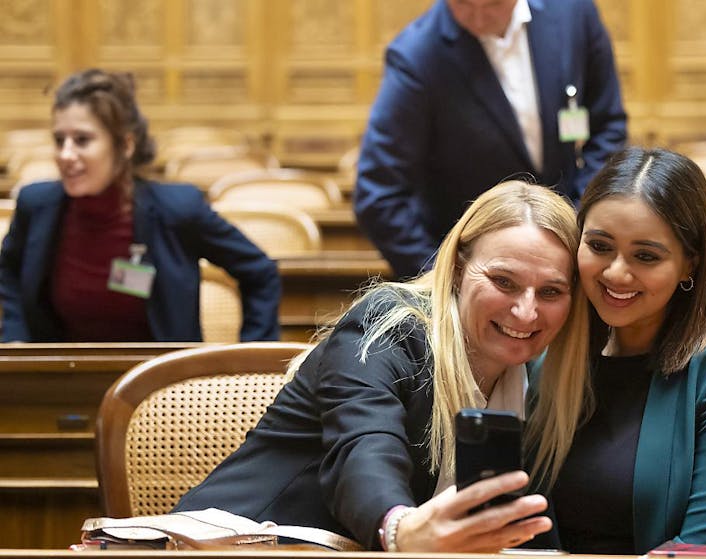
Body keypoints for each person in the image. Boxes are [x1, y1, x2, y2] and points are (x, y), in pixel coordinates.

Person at [174, 180, 591, 553]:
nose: (526, 311)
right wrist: (400, 529)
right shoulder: (388, 326)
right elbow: (364, 447)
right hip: (241, 545)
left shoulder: (540, 379)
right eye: (504, 282)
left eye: (551, 291)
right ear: (460, 269)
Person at [532, 147, 706, 553]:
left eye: (646, 256)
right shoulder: (549, 348)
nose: (616, 272)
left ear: (688, 264)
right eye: (600, 246)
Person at [0, 69, 280, 342]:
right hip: (58, 378)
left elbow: (259, 271)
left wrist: (252, 357)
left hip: (157, 381)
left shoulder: (178, 209)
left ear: (125, 145)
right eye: (60, 140)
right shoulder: (37, 205)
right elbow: (9, 272)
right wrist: (15, 338)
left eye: (82, 140)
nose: (66, 154)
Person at [353, 0, 627, 279]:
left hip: (571, 257)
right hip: (476, 275)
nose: (479, 17)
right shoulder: (416, 56)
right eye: (463, 4)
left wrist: (580, 221)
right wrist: (444, 277)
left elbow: (607, 127)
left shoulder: (573, 13)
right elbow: (378, 194)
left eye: (494, 4)